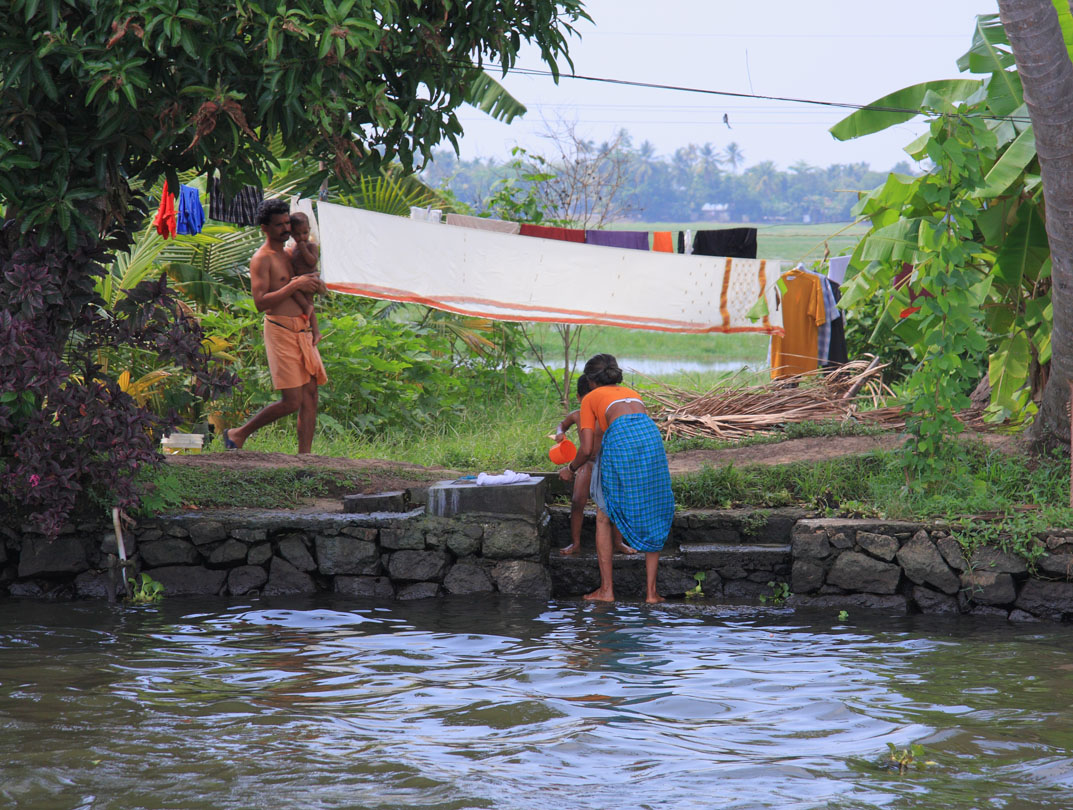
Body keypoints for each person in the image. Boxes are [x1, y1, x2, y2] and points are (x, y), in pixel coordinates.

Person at [558, 354, 675, 603]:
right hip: (651, 439)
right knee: (652, 508)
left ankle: (607, 591)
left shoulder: (590, 398)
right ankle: (652, 594)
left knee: (603, 515)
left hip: (621, 439)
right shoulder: (632, 392)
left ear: (590, 381)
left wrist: (570, 468)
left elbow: (587, 449)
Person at [223, 199, 327, 454]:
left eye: (286, 223)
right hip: (280, 329)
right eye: (278, 225)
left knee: (311, 395)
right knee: (292, 401)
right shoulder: (262, 259)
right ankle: (238, 433)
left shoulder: (292, 252)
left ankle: (305, 457)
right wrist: (295, 285)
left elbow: (307, 278)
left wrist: (316, 284)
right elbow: (260, 303)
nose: (285, 229)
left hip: (302, 328)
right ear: (264, 228)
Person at [556, 374, 637, 557]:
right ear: (579, 398)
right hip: (587, 463)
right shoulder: (577, 415)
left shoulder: (605, 414)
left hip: (607, 463)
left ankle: (618, 542)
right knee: (577, 501)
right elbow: (562, 425)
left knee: (616, 503)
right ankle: (575, 543)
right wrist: (560, 433)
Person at [286, 211, 326, 343]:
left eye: (304, 233)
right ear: (291, 234)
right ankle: (312, 330)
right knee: (292, 289)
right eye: (297, 234)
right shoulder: (293, 248)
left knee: (309, 305)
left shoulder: (311, 246)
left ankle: (316, 331)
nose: (302, 237)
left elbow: (312, 261)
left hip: (311, 280)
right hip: (300, 280)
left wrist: (303, 248)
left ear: (309, 230)